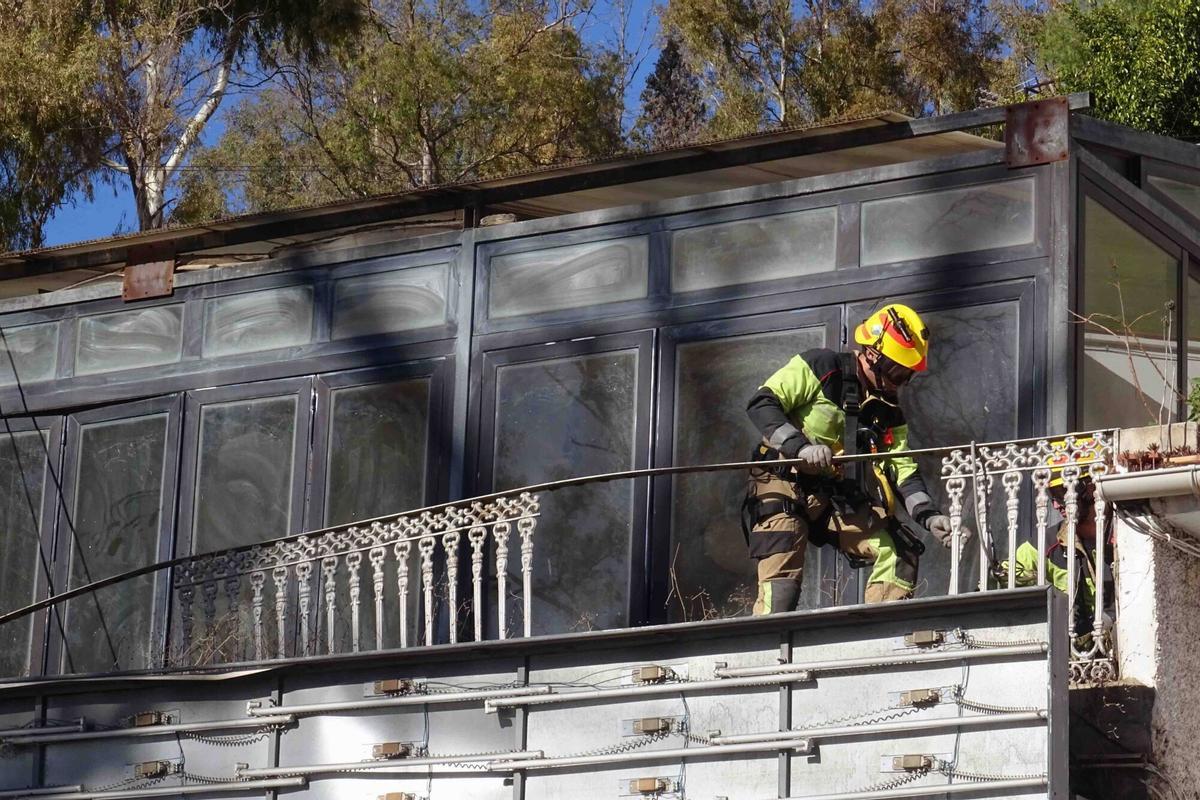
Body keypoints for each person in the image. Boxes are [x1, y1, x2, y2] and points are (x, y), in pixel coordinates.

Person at [743, 303, 972, 614]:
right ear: (873, 355)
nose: (899, 382)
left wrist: (930, 516)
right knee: (781, 576)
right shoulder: (822, 366)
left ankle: (884, 634)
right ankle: (769, 639)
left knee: (900, 552)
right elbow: (762, 403)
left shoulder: (888, 411)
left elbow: (901, 468)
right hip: (782, 480)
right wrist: (800, 448)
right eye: (897, 372)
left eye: (907, 375)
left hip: (831, 493)